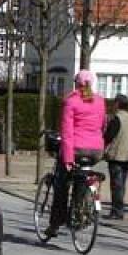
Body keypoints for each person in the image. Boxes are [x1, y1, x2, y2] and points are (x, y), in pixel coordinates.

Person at [46, 69, 107, 238]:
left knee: (62, 184)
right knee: (82, 178)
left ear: (76, 83)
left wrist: (67, 158)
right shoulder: (100, 101)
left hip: (76, 149)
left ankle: (55, 224)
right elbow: (103, 126)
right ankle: (79, 213)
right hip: (95, 151)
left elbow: (67, 133)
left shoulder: (70, 101)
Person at [103, 92, 128, 220]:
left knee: (116, 184)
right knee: (121, 184)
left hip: (117, 155)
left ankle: (117, 210)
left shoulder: (117, 118)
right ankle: (119, 209)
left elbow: (108, 136)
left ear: (117, 104)